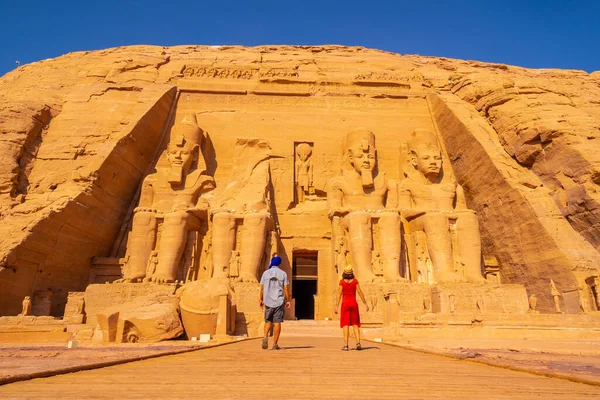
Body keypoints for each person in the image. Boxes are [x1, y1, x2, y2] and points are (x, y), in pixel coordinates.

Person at [259, 256, 291, 350]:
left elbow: (261, 288)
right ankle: (275, 344)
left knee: (268, 321)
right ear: (279, 263)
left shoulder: (265, 273)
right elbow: (286, 288)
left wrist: (261, 299)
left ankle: (265, 335)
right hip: (279, 301)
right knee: (277, 322)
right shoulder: (283, 274)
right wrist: (288, 300)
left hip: (268, 300)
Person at [335, 265, 369, 350]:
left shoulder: (342, 282)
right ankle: (358, 343)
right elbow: (360, 292)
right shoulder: (355, 281)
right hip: (353, 303)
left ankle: (346, 345)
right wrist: (365, 303)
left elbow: (339, 294)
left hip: (345, 304)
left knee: (345, 324)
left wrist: (336, 305)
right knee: (355, 324)